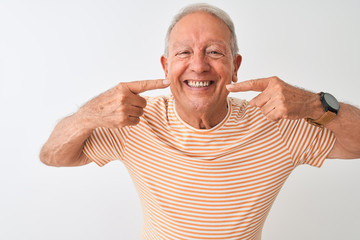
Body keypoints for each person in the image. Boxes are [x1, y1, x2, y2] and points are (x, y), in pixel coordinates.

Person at [40, 3, 360, 240]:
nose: (198, 65)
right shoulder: (136, 120)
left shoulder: (279, 125)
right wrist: (90, 114)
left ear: (235, 67)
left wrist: (312, 103)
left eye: (214, 52)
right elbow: (53, 155)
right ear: (166, 67)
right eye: (183, 53)